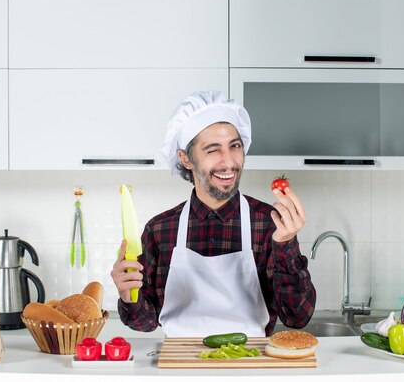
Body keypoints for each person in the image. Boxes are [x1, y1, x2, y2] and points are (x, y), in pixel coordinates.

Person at [110, 91, 316, 337]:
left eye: (235, 146)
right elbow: (145, 323)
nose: (228, 162)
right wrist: (127, 295)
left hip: (250, 366)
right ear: (186, 159)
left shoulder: (270, 224)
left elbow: (297, 318)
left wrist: (286, 246)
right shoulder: (160, 230)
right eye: (212, 150)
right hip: (180, 366)